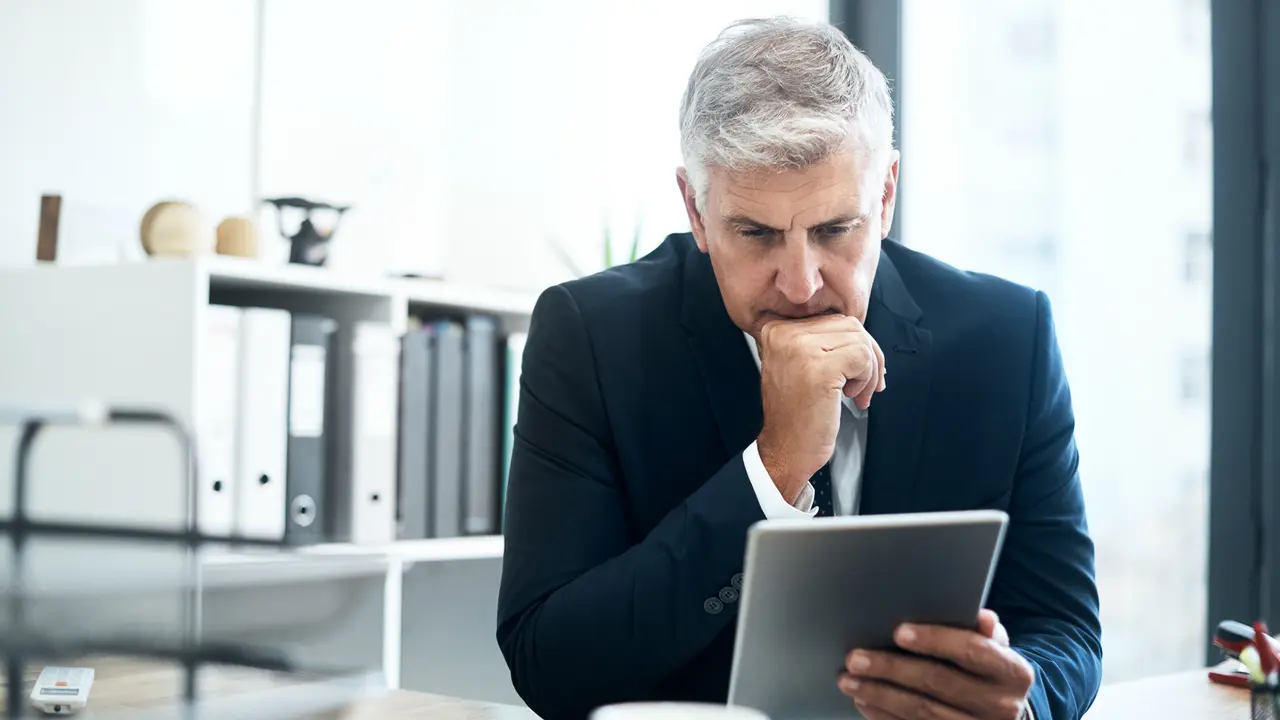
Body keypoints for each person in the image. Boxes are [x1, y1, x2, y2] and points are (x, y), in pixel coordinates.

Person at [497, 16, 1102, 720]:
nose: (801, 282)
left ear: (885, 195)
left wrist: (1020, 700)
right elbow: (549, 663)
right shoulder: (591, 337)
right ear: (696, 208)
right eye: (755, 233)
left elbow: (1065, 627)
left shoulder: (1008, 339)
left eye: (834, 229)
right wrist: (774, 468)